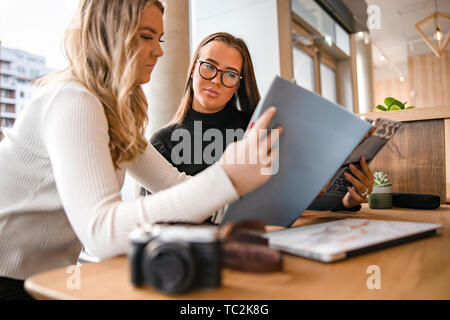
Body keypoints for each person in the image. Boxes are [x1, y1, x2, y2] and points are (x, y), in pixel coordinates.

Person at [0, 0, 281, 300]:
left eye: (159, 39)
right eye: (146, 36)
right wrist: (227, 176)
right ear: (109, 33)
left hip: (48, 278)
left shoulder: (113, 114)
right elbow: (101, 230)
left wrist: (248, 204)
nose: (159, 51)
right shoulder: (72, 100)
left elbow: (174, 185)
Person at [147, 32, 373, 215]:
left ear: (238, 84)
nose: (216, 79)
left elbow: (290, 196)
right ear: (194, 68)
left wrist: (344, 200)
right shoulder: (162, 142)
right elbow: (155, 217)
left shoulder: (257, 129)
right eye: (209, 66)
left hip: (262, 242)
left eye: (230, 74)